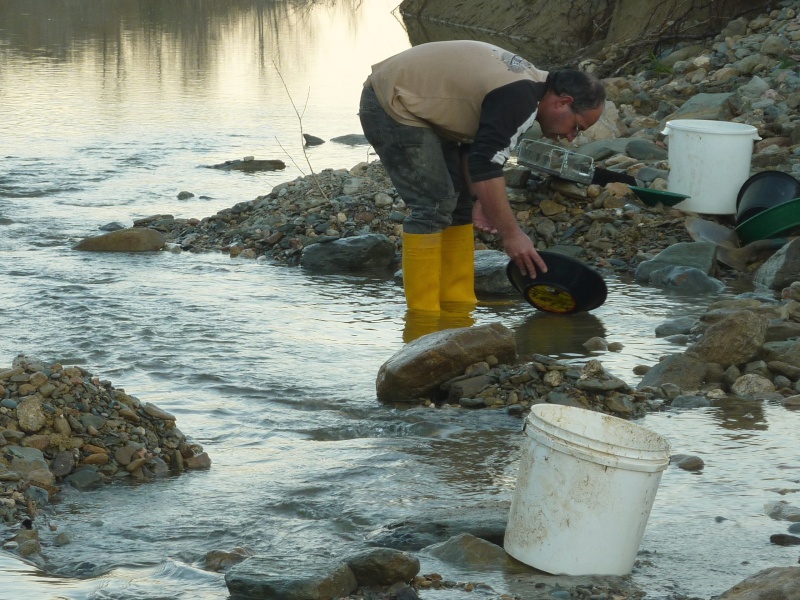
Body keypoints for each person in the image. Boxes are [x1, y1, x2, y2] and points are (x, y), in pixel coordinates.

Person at [358, 40, 606, 320]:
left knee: (460, 205)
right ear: (563, 102)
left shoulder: (529, 92)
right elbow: (485, 162)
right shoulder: (520, 97)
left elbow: (474, 146)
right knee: (434, 205)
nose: (572, 137)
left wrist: (479, 199)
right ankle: (423, 319)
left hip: (429, 110)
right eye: (576, 127)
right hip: (392, 100)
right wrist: (511, 235)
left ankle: (459, 309)